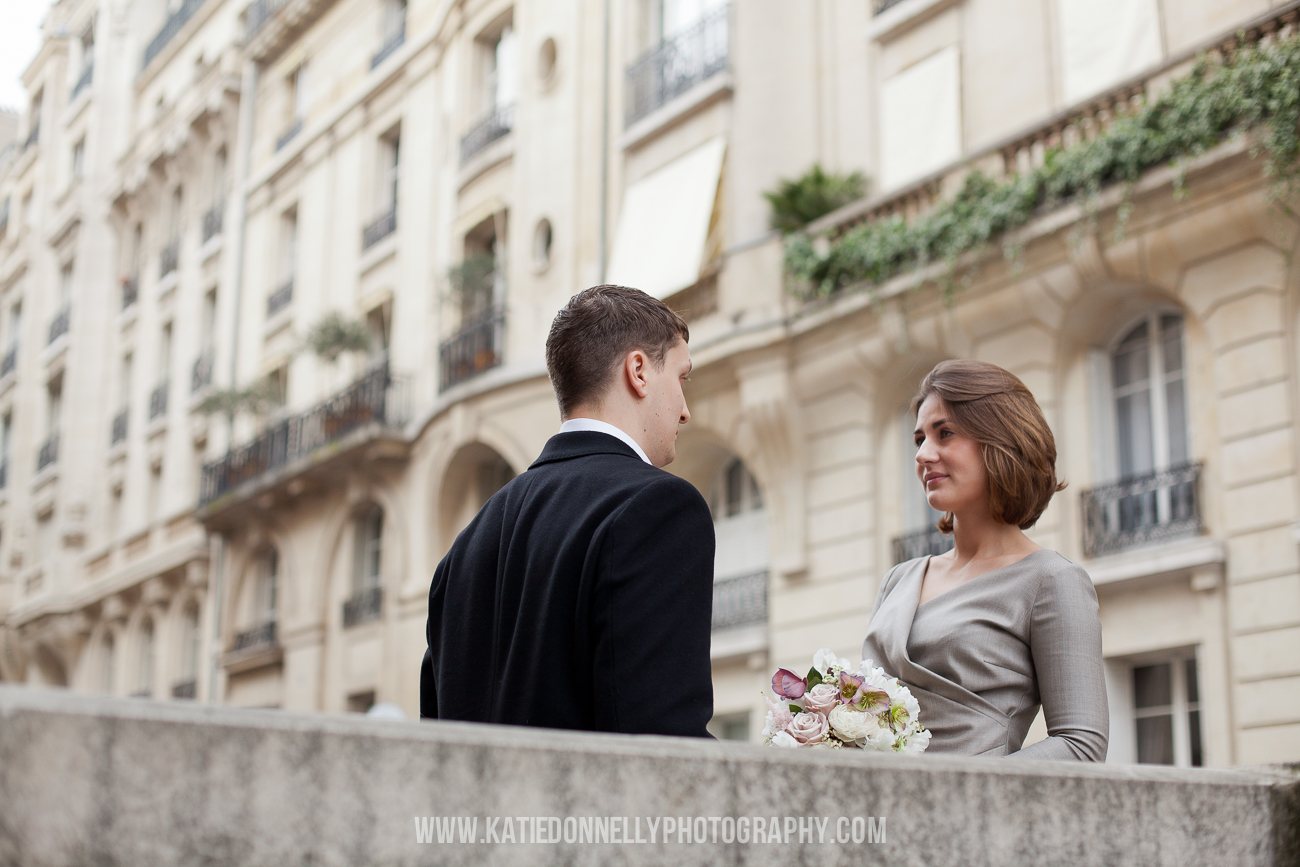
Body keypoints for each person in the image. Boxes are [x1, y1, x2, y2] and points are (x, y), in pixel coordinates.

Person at [420, 284, 715, 737]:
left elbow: (434, 743)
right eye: (682, 378)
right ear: (638, 371)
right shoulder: (658, 508)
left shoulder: (465, 548)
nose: (685, 411)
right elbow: (662, 747)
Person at [862, 360, 1108, 760]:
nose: (924, 454)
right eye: (919, 439)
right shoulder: (899, 579)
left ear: (1001, 440)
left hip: (972, 814)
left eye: (945, 434)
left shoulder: (1051, 580)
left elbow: (1082, 745)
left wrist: (963, 790)